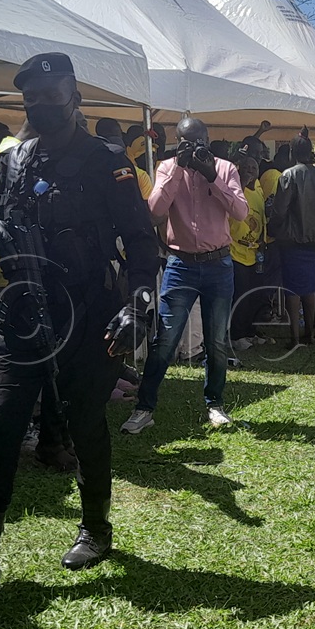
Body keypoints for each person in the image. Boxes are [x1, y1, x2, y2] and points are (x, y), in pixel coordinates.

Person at [0, 52, 159, 605]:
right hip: (21, 312)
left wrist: (140, 301)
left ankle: (96, 527)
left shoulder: (107, 161)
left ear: (74, 95)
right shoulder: (13, 160)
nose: (42, 103)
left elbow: (142, 241)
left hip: (90, 314)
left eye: (52, 93)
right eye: (32, 96)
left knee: (83, 422)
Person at [120, 118, 247, 435]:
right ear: (179, 141)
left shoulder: (225, 168)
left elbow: (241, 212)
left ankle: (215, 404)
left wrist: (211, 177)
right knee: (165, 340)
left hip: (219, 264)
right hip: (181, 264)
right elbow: (154, 213)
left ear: (207, 137)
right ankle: (144, 408)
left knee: (216, 341)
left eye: (199, 140)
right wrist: (178, 169)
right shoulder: (166, 168)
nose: (195, 147)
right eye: (187, 141)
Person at [269, 130, 315, 347]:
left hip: (294, 241)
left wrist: (272, 228)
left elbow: (280, 210)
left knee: (293, 289)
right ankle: (310, 332)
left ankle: (295, 336)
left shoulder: (288, 175)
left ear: (292, 153)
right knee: (310, 286)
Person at [228, 156, 268, 351]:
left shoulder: (257, 194)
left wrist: (262, 243)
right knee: (240, 296)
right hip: (235, 253)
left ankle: (250, 331)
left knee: (254, 296)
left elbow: (262, 221)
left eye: (254, 168)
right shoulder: (234, 191)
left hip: (254, 254)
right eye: (247, 167)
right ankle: (237, 335)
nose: (250, 171)